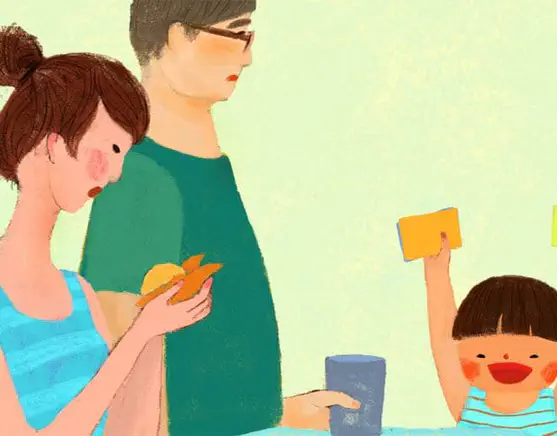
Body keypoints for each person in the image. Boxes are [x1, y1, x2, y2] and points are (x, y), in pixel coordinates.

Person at [79, 1, 359, 435]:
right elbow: (120, 365)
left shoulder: (204, 166)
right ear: (176, 37)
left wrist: (273, 411)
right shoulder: (141, 177)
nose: (246, 56)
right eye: (235, 34)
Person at [0, 24, 212, 436]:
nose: (115, 174)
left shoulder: (80, 294)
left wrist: (153, 333)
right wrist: (136, 337)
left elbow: (130, 432)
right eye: (112, 149)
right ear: (53, 143)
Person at [422, 230, 557, 434]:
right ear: (460, 353)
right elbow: (444, 339)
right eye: (482, 355)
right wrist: (436, 272)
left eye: (533, 355)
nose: (505, 357)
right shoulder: (468, 403)